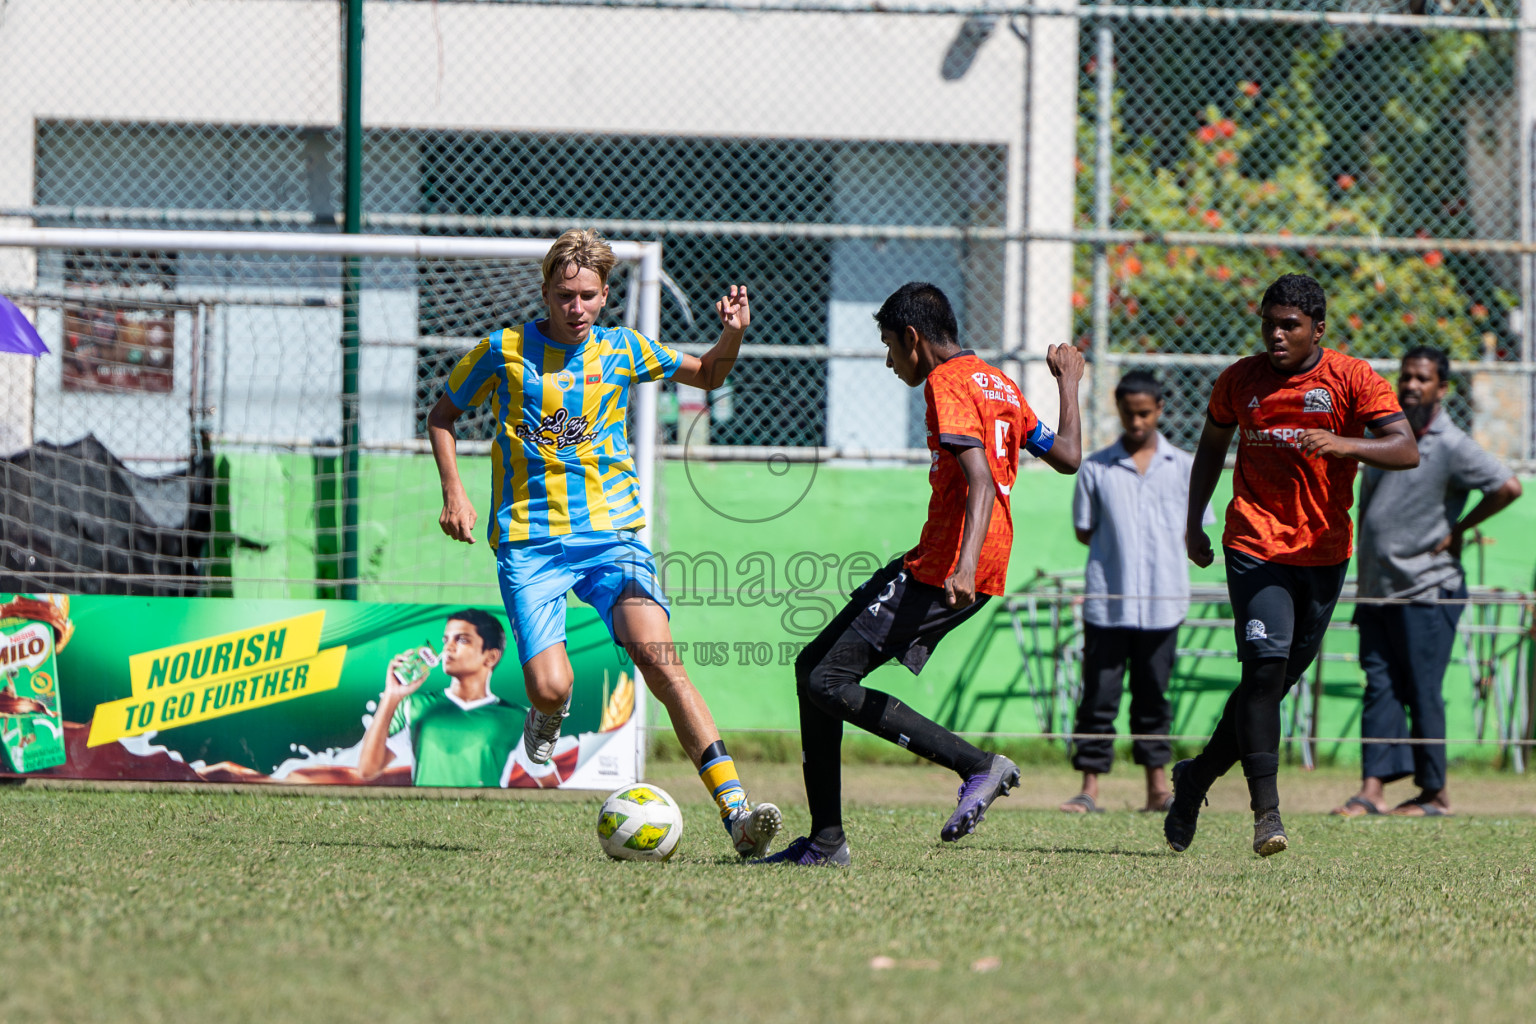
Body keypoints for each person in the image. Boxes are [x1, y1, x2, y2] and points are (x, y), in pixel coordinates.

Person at [425, 228, 781, 857]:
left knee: (660, 661)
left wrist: (732, 334)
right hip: (530, 545)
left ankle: (738, 815)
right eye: (566, 295)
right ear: (546, 292)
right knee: (552, 686)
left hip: (612, 539)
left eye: (588, 295)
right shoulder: (501, 350)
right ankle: (545, 714)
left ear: (605, 294)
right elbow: (442, 415)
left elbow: (707, 373)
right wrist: (454, 491)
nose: (577, 308)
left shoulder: (623, 350)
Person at [757, 282, 1084, 867]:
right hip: (959, 558)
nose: (888, 361)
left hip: (950, 564)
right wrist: (1068, 384)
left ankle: (977, 766)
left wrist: (960, 565)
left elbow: (980, 480)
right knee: (814, 668)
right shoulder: (998, 381)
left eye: (888, 346)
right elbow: (1067, 456)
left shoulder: (947, 382)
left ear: (913, 338)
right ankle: (826, 840)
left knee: (826, 680)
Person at [1165, 273, 1418, 857]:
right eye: (1268, 324)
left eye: (1290, 326)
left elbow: (1405, 449)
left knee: (1273, 682)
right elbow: (1210, 448)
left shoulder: (1352, 379)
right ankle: (1266, 816)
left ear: (1317, 330)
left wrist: (1345, 444)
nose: (1276, 336)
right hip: (1253, 543)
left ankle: (1196, 777)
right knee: (1262, 670)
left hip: (1324, 552)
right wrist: (1193, 520)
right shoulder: (1239, 380)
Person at [1332, 346, 1521, 819]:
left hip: (1427, 589)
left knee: (1421, 689)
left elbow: (1508, 485)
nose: (1412, 385)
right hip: (1378, 588)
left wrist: (1460, 530)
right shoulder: (1386, 434)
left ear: (1442, 388)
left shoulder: (1451, 445)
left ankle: (1435, 795)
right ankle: (1371, 790)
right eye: (1407, 376)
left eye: (1422, 378)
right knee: (1379, 687)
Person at [1059, 371, 1211, 814]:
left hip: (1164, 602)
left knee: (1153, 697)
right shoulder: (1096, 467)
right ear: (1118, 410)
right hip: (1109, 600)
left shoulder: (1184, 468)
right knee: (1099, 697)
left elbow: (1198, 530)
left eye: (1145, 413)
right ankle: (1089, 788)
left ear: (1160, 410)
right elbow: (1084, 530)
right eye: (1128, 413)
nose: (1137, 421)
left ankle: (1157, 789)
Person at [357, 610, 523, 787]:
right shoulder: (415, 705)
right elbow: (367, 769)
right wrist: (392, 695)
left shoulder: (518, 717)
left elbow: (548, 779)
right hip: (424, 814)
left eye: (461, 640)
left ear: (491, 656)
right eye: (446, 640)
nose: (448, 648)